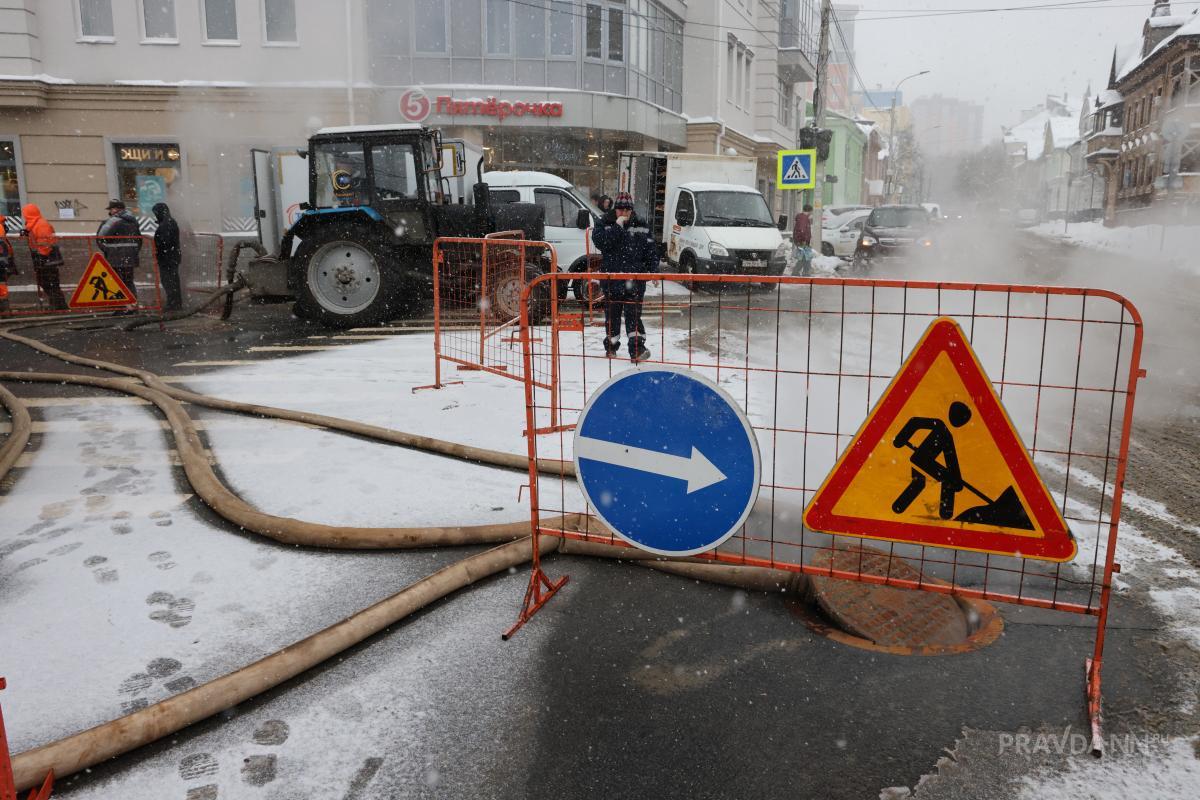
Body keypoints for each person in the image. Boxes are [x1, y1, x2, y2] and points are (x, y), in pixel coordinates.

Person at [591, 191, 658, 363]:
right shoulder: (604, 222)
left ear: (631, 209)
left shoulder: (641, 224)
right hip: (612, 279)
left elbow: (650, 249)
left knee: (633, 315)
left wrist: (654, 270)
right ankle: (611, 346)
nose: (624, 213)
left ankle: (636, 350)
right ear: (615, 209)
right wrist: (618, 227)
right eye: (620, 210)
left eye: (627, 210)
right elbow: (602, 243)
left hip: (635, 280)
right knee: (612, 316)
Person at [21, 204, 67, 310]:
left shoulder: (41, 224)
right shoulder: (34, 224)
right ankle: (57, 305)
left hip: (47, 258)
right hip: (44, 258)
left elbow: (45, 243)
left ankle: (59, 306)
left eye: (25, 214)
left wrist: (41, 257)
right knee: (47, 282)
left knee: (50, 283)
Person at [97, 199, 143, 300]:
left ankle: (121, 306)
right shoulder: (133, 221)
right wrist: (133, 252)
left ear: (116, 210)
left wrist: (108, 250)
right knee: (128, 281)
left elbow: (100, 238)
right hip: (130, 258)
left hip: (115, 257)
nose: (111, 211)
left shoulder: (110, 222)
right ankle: (132, 304)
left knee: (117, 282)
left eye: (112, 208)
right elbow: (139, 240)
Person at [152, 202, 183, 311]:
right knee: (171, 280)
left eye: (155, 213)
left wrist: (158, 248)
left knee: (169, 281)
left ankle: (173, 303)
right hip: (170, 257)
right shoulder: (168, 222)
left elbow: (165, 241)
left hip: (168, 258)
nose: (155, 215)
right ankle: (174, 302)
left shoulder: (167, 224)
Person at [792, 203, 814, 277]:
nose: (811, 214)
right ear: (809, 211)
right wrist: (803, 240)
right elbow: (802, 230)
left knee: (805, 257)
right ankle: (799, 272)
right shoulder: (803, 218)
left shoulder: (802, 217)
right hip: (802, 241)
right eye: (811, 212)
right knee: (804, 257)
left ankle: (804, 272)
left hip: (801, 241)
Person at [0, 216, 14, 313]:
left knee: (2, 283)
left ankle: (4, 309)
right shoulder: (1, 231)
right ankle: (4, 309)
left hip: (2, 262)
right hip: (2, 263)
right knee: (2, 284)